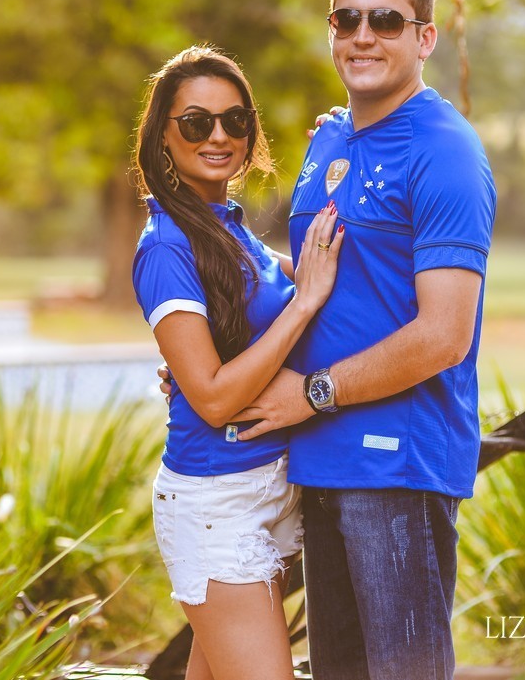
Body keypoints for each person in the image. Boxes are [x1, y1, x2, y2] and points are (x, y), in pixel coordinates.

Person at [163, 0, 496, 679]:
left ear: (425, 38)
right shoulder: (331, 138)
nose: (363, 35)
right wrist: (214, 357)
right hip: (314, 461)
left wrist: (312, 392)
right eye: (347, 19)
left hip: (396, 468)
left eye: (386, 19)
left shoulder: (446, 151)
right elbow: (316, 279)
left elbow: (444, 335)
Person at [131, 44, 345, 680]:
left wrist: (346, 144)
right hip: (217, 502)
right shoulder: (166, 247)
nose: (219, 136)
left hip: (269, 487)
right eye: (196, 123)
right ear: (162, 136)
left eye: (235, 120)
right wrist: (302, 305)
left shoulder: (226, 228)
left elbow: (315, 279)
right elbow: (215, 398)